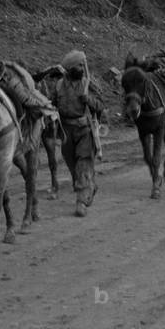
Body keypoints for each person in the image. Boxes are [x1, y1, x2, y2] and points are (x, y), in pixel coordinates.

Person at [52, 50, 103, 218]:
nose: (81, 68)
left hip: (84, 130)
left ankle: (81, 202)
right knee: (73, 166)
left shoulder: (89, 84)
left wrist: (88, 99)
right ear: (69, 68)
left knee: (83, 163)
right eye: (78, 65)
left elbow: (100, 106)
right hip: (66, 131)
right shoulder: (59, 85)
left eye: (82, 65)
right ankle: (89, 186)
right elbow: (52, 105)